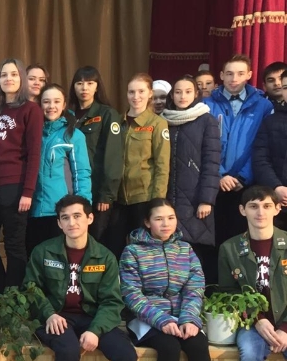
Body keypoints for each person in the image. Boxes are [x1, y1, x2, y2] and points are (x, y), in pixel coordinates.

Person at [24, 194, 137, 361]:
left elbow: (112, 302)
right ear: (59, 223)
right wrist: (48, 313)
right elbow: (31, 288)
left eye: (77, 216)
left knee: (126, 355)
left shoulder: (104, 257)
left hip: (92, 319)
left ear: (90, 218)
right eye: (65, 218)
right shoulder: (44, 251)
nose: (71, 222)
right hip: (56, 317)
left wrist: (96, 330)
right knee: (67, 350)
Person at [120, 198, 212, 361]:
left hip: (182, 317)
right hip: (146, 319)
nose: (165, 224)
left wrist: (189, 318)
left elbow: (195, 288)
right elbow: (131, 294)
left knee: (198, 346)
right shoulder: (132, 252)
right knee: (169, 348)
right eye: (159, 219)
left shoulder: (186, 250)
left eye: (170, 218)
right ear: (147, 222)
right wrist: (162, 320)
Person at [216, 186, 287, 361]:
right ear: (242, 210)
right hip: (251, 324)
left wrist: (285, 328)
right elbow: (227, 293)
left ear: (277, 209)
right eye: (253, 206)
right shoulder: (230, 248)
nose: (260, 212)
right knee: (249, 359)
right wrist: (256, 318)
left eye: (267, 206)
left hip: (285, 325)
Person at [0, 58, 43, 293]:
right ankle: (0, 292)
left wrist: (28, 192)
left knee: (14, 247)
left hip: (14, 186)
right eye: (4, 75)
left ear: (21, 78)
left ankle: (13, 298)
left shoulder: (31, 110)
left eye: (14, 74)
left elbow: (34, 153)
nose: (8, 79)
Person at [204, 54, 274, 249]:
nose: (234, 79)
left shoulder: (263, 105)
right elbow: (203, 146)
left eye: (240, 73)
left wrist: (243, 176)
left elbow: (262, 147)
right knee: (215, 240)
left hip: (246, 183)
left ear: (249, 75)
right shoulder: (206, 105)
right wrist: (219, 174)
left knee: (243, 240)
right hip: (215, 182)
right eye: (229, 73)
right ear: (221, 75)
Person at [161, 76, 221, 283]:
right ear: (172, 95)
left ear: (196, 94)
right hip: (169, 196)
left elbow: (212, 162)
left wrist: (206, 199)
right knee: (170, 250)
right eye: (178, 92)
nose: (182, 96)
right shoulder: (164, 119)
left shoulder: (206, 120)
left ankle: (198, 296)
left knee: (194, 249)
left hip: (195, 197)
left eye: (188, 91)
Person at [105, 73, 171, 258]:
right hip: (118, 198)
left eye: (141, 91)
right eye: (131, 92)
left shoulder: (157, 123)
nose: (136, 97)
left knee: (144, 250)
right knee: (114, 247)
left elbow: (162, 165)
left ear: (150, 93)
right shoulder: (118, 122)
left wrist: (157, 201)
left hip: (144, 197)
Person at [28, 84, 92, 252]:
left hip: (61, 211)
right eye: (46, 102)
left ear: (64, 105)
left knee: (60, 258)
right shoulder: (32, 133)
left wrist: (82, 207)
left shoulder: (73, 135)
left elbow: (81, 173)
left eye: (56, 101)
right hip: (32, 210)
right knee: (36, 258)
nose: (51, 106)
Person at [68, 66, 123, 244]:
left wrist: (106, 194)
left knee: (95, 241)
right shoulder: (67, 115)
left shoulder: (107, 114)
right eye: (79, 83)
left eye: (90, 83)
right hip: (71, 189)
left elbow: (113, 156)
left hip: (97, 191)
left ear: (97, 87)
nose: (84, 88)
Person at [254, 69, 287, 231]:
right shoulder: (270, 122)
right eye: (286, 88)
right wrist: (276, 187)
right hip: (278, 200)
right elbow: (260, 159)